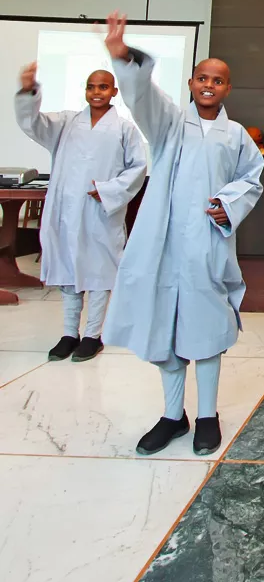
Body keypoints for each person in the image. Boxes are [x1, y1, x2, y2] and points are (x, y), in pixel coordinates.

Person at [101, 16, 264, 456]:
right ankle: (173, 416)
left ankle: (207, 415)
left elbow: (252, 178)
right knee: (165, 328)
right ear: (191, 83)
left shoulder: (236, 136)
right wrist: (124, 57)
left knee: (206, 327)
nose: (209, 85)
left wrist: (228, 203)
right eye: (203, 78)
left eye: (218, 80)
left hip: (207, 247)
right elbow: (144, 98)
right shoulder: (170, 124)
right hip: (164, 245)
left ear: (228, 89)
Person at [14, 64, 146, 362]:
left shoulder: (124, 128)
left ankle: (92, 335)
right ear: (85, 90)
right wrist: (28, 92)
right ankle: (69, 333)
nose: (96, 92)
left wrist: (109, 190)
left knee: (99, 271)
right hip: (67, 210)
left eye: (103, 87)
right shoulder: (66, 123)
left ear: (114, 91)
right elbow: (33, 123)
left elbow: (137, 167)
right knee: (69, 269)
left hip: (100, 212)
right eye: (91, 86)